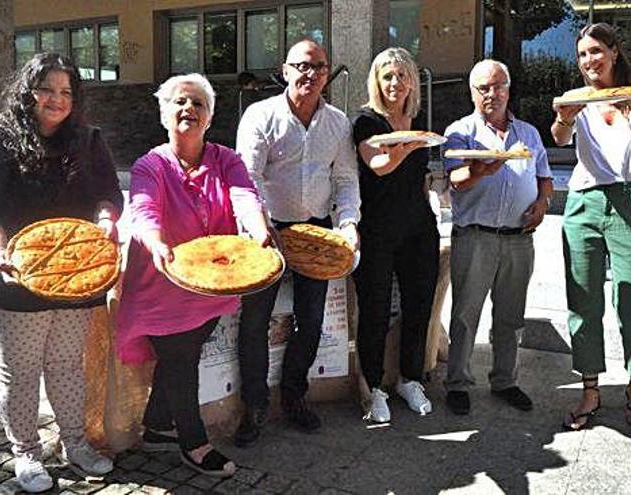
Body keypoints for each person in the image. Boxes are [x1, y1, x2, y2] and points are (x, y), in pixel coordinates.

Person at [0, 53, 120, 493]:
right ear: (28, 91)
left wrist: (106, 220)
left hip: (75, 276)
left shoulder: (88, 140)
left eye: (66, 91)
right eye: (47, 88)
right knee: (22, 369)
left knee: (67, 366)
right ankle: (26, 453)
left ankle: (75, 444)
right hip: (12, 276)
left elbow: (108, 193)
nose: (57, 99)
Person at [115, 73, 271, 476]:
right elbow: (143, 209)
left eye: (198, 103)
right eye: (180, 102)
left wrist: (256, 228)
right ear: (165, 114)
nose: (189, 109)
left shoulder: (226, 159)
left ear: (209, 116)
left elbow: (244, 195)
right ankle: (194, 442)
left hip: (211, 282)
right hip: (160, 280)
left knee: (184, 352)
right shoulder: (151, 164)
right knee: (181, 360)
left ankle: (155, 426)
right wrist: (155, 241)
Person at [233, 39, 361, 446]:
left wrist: (349, 224)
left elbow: (344, 180)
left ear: (328, 73)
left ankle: (293, 397)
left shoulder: (338, 123)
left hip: (317, 232)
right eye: (302, 66)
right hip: (265, 232)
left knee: (313, 320)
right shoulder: (260, 115)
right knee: (255, 323)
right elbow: (245, 180)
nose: (310, 74)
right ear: (285, 71)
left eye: (319, 67)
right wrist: (260, 227)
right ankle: (254, 407)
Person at [552, 23, 631, 430]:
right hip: (584, 202)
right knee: (582, 300)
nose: (589, 61)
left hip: (630, 200)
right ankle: (590, 389)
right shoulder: (577, 98)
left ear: (614, 52)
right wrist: (564, 118)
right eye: (582, 54)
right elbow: (560, 136)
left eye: (596, 51)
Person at [442, 60, 553, 416]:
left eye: (498, 86)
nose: (492, 94)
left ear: (508, 88)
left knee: (511, 314)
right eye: (483, 88)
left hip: (519, 238)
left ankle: (505, 380)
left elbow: (544, 177)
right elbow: (455, 180)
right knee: (464, 315)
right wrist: (478, 170)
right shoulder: (460, 131)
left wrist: (542, 203)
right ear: (472, 93)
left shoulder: (530, 134)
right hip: (476, 237)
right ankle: (458, 383)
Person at [350, 47, 439, 423]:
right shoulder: (366, 122)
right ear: (376, 81)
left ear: (411, 82)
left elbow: (419, 178)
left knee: (420, 305)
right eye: (387, 76)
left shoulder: (416, 119)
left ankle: (410, 379)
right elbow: (380, 166)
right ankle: (374, 389)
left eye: (401, 76)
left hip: (418, 227)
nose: (394, 83)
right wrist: (410, 144)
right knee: (375, 309)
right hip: (377, 229)